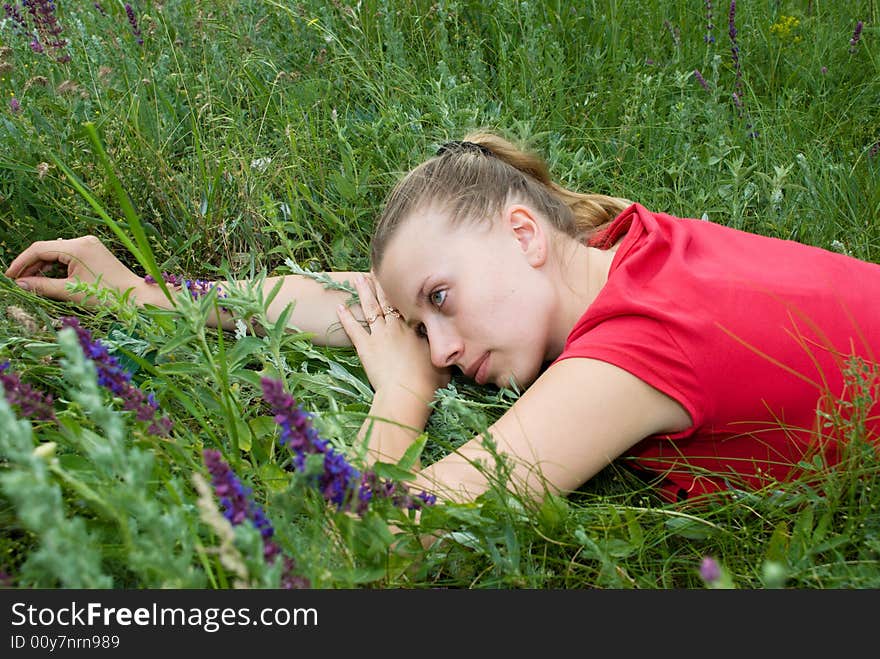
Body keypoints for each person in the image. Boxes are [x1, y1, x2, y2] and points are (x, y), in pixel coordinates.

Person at [5, 131, 880, 506]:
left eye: (441, 301)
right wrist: (144, 295)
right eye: (427, 324)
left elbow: (385, 528)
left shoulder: (635, 356)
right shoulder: (618, 249)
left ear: (524, 233)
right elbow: (357, 295)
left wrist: (402, 395)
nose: (446, 349)